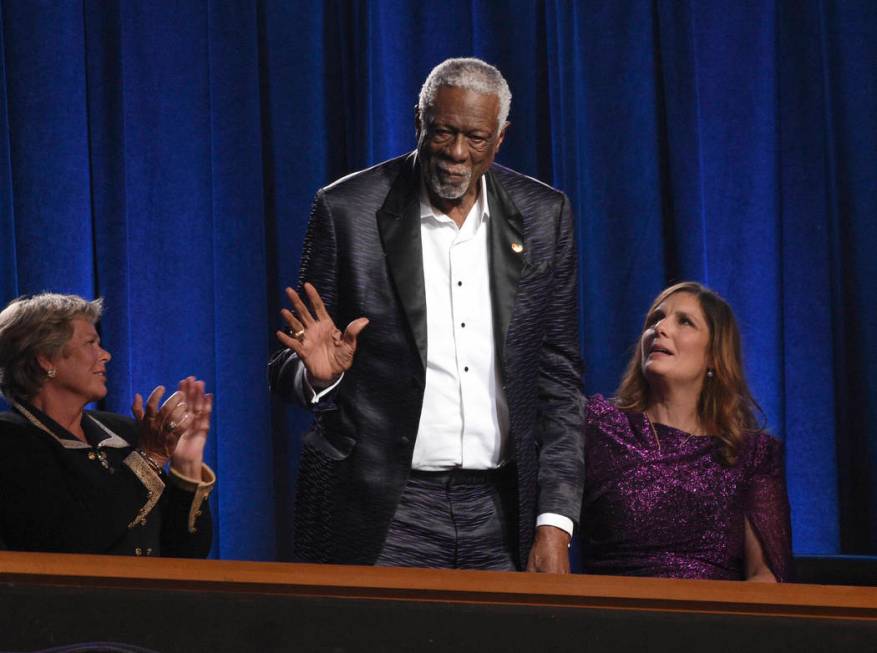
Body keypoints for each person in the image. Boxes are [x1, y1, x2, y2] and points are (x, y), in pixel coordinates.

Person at [269, 58, 584, 571]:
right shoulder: (347, 210)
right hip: (383, 509)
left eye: (476, 139)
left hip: (501, 509)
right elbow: (286, 364)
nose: (457, 153)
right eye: (443, 132)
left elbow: (558, 377)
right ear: (419, 122)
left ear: (501, 138)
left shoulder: (545, 216)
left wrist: (555, 521)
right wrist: (317, 378)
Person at [579, 282, 793, 581]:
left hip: (713, 620)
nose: (661, 328)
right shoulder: (599, 426)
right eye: (655, 319)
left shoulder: (752, 454)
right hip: (612, 616)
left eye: (685, 321)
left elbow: (765, 576)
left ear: (714, 358)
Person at [0, 293, 215, 557]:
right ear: (46, 358)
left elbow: (186, 555)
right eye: (91, 343)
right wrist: (148, 459)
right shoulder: (10, 439)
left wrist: (186, 466)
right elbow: (68, 542)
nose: (106, 355)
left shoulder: (127, 435)